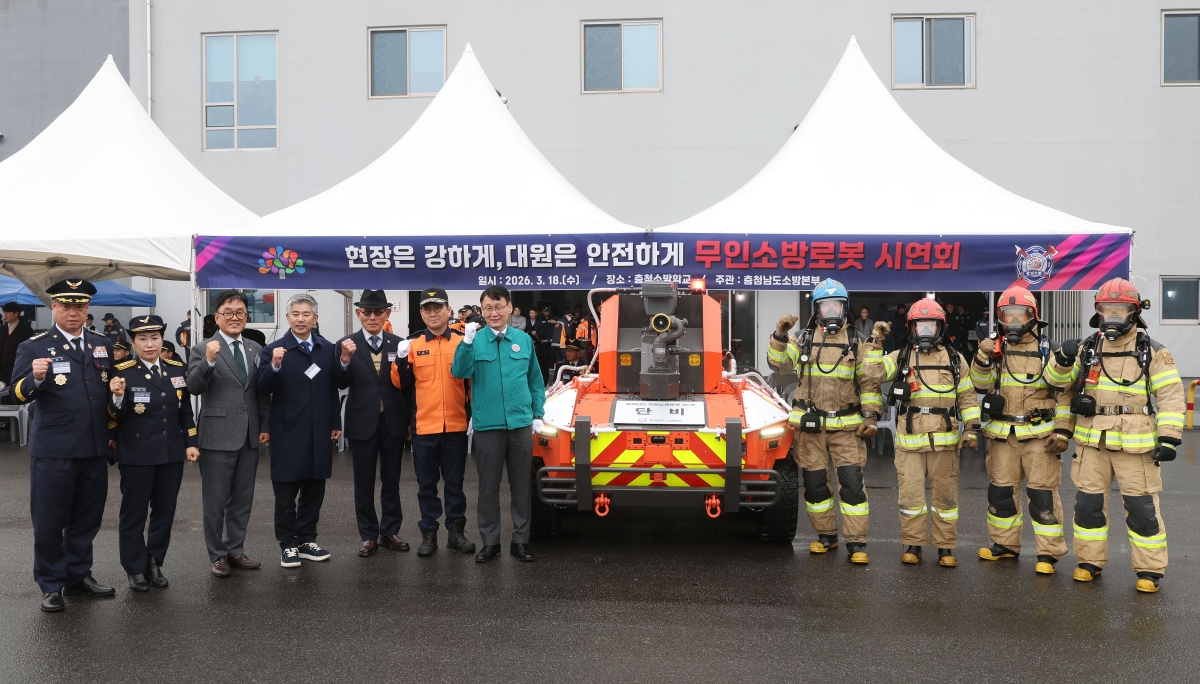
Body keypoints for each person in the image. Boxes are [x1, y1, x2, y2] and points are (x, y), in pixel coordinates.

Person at [1046, 277, 1185, 593]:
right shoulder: (1088, 348)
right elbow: (1057, 386)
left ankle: (1150, 571)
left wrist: (1169, 436)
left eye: (1119, 310)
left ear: (1133, 313)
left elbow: (1171, 396)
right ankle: (1089, 562)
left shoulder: (1151, 351)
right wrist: (1062, 360)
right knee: (1088, 506)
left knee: (1142, 511)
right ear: (1098, 312)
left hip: (1135, 447)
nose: (1112, 317)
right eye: (1106, 310)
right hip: (1092, 442)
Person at [9, 279, 116, 612]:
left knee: (87, 519)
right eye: (66, 306)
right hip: (54, 449)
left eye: (80, 306)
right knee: (50, 520)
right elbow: (15, 392)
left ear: (87, 309)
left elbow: (105, 386)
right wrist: (36, 379)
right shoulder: (35, 345)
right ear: (53, 307)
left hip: (94, 447)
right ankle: (51, 584)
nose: (74, 312)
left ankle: (78, 576)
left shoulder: (101, 343)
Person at [767, 279, 883, 563]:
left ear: (845, 308)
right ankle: (827, 537)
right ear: (816, 310)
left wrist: (870, 417)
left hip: (847, 428)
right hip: (811, 427)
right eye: (825, 306)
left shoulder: (857, 341)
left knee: (852, 485)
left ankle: (856, 544)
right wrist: (780, 335)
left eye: (836, 306)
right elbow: (778, 363)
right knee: (816, 486)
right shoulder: (803, 339)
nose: (831, 312)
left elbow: (869, 384)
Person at [865, 299, 980, 568]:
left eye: (931, 325)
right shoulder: (902, 356)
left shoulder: (955, 359)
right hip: (910, 443)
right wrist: (876, 340)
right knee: (911, 498)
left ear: (940, 328)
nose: (925, 331)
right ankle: (913, 545)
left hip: (945, 443)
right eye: (920, 326)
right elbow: (873, 372)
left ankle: (945, 548)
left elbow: (967, 398)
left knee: (945, 499)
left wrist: (972, 430)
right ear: (912, 329)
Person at [971, 287, 1073, 575]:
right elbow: (980, 385)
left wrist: (1063, 432)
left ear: (1032, 317)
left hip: (1039, 437)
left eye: (1019, 315)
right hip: (1003, 436)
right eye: (1007, 316)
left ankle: (1048, 553)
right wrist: (981, 356)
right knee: (1001, 493)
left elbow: (1065, 393)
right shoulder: (995, 349)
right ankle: (1004, 546)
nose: (1013, 322)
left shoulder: (1049, 350)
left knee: (1043, 495)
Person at [451, 285, 545, 563]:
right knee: (488, 487)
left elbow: (535, 380)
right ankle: (490, 542)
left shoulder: (523, 340)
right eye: (488, 308)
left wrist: (537, 414)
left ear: (509, 308)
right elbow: (460, 372)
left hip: (519, 423)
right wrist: (466, 343)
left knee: (521, 486)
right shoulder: (473, 340)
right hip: (487, 425)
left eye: (499, 306)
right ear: (482, 311)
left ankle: (520, 541)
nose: (494, 313)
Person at [108, 315, 199, 592]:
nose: (150, 344)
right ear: (132, 342)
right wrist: (118, 396)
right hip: (136, 453)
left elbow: (185, 410)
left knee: (164, 512)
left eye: (155, 338)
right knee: (134, 513)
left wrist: (191, 442)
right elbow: (115, 417)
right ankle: (134, 568)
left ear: (162, 340)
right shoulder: (121, 371)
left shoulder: (175, 369)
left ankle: (154, 561)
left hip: (171, 451)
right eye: (143, 339)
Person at [186, 290, 270, 577]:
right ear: (217, 317)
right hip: (217, 434)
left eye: (240, 313)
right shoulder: (203, 348)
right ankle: (217, 555)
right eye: (228, 312)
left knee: (243, 498)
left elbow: (259, 393)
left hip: (249, 434)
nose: (235, 317)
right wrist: (209, 361)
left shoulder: (255, 349)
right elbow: (194, 387)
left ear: (246, 317)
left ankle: (236, 549)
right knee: (216, 500)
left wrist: (265, 426)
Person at [390, 287, 476, 557]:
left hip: (456, 426)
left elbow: (473, 382)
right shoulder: (413, 344)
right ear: (421, 314)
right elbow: (400, 383)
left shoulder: (462, 341)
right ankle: (429, 533)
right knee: (426, 485)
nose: (433, 313)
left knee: (455, 483)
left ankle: (456, 532)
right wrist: (401, 359)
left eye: (438, 308)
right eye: (427, 309)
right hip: (424, 428)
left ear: (449, 311)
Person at [258, 294, 341, 568]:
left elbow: (332, 389)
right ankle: (288, 543)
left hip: (319, 430)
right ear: (287, 317)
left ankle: (307, 539)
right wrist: (275, 366)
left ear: (315, 318)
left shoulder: (326, 348)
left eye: (306, 314)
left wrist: (335, 423)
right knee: (285, 491)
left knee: (314, 488)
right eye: (295, 313)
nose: (300, 319)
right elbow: (263, 388)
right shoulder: (274, 349)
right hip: (288, 430)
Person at [336, 290, 410, 557]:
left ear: (387, 314)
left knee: (391, 481)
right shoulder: (346, 344)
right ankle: (368, 535)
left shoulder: (400, 344)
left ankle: (389, 531)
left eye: (378, 312)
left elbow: (407, 386)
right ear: (358, 314)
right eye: (366, 312)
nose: (372, 317)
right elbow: (340, 383)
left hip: (393, 421)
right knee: (363, 482)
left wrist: (411, 421)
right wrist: (344, 359)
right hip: (361, 422)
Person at [1, 301, 35, 401]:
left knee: (14, 390)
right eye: (4, 312)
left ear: (16, 314)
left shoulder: (26, 330)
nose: (5, 315)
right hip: (2, 367)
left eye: (8, 312)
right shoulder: (2, 329)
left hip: (17, 366)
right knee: (2, 390)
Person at [535, 305, 556, 384]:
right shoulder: (540, 319)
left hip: (552, 341)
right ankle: (546, 370)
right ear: (542, 312)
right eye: (544, 311)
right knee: (545, 357)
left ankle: (551, 369)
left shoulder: (554, 318)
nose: (546, 312)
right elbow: (538, 329)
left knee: (552, 355)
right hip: (543, 341)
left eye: (547, 311)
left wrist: (555, 322)